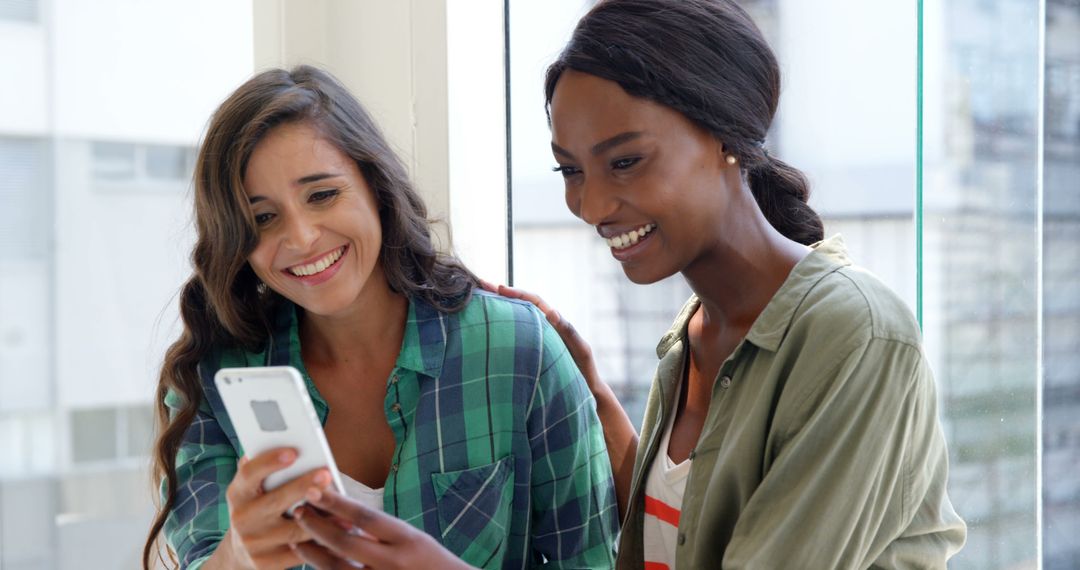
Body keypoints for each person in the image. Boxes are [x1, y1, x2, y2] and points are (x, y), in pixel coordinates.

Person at [491, 0, 968, 568]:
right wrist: (587, 388)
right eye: (570, 170)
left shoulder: (854, 334)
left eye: (625, 161)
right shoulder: (694, 335)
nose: (590, 206)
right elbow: (678, 529)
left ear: (727, 137)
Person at [142, 65, 618, 570]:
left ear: (375, 185)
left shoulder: (518, 351)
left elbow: (590, 561)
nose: (302, 238)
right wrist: (238, 555)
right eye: (263, 217)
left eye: (322, 194)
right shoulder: (215, 383)